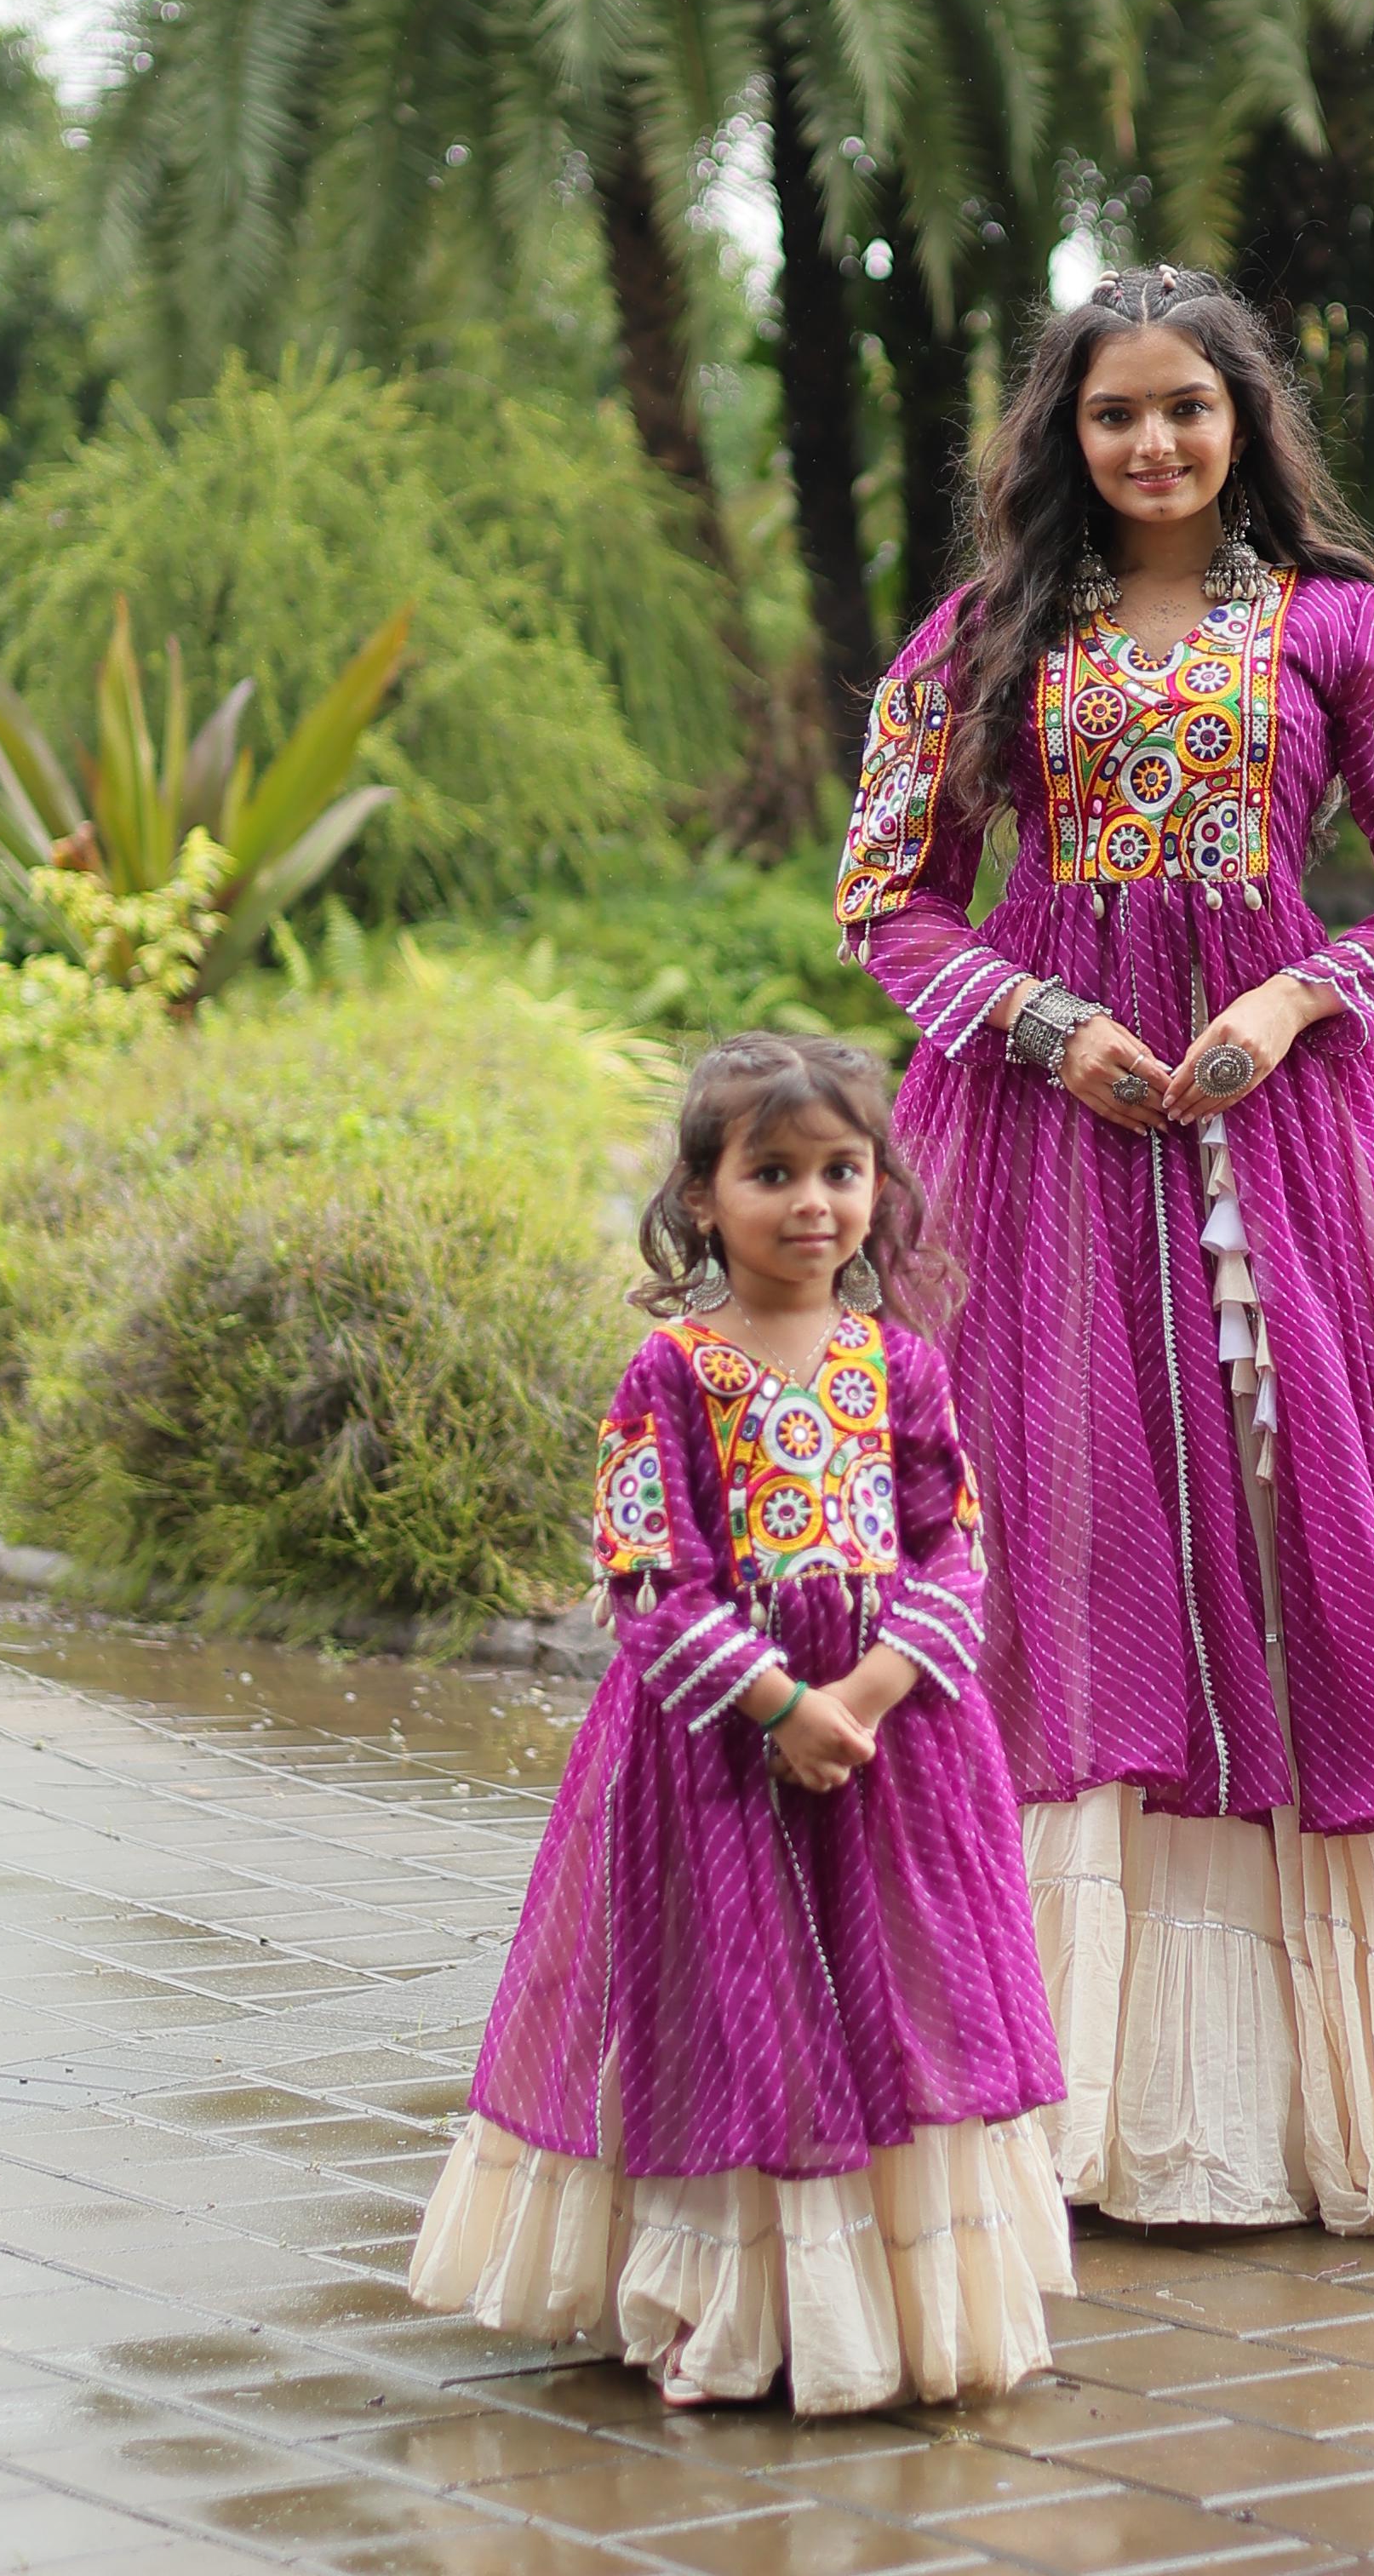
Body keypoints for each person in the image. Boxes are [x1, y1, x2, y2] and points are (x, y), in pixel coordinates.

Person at [834, 264, 1374, 2242]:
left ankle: (1350, 2098)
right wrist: (1054, 1028)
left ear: (1247, 426)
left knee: (1323, 1521)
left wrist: (1295, 1008)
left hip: (1287, 1138)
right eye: (1114, 413)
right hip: (1036, 1151)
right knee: (1056, 1540)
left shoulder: (1353, 636)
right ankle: (1019, 2075)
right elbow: (883, 902)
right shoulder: (977, 644)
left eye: (1188, 410)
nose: (1152, 443)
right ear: (1066, 437)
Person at [409, 1033, 1070, 2413]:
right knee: (739, 1997)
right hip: (717, 1748)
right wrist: (777, 1704)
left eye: (842, 1170)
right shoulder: (670, 1375)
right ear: (703, 1199)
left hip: (895, 1741)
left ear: (881, 1187)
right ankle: (738, 2300)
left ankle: (887, 2301)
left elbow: (960, 1551)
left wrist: (866, 1696)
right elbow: (649, 1577)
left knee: (892, 1995)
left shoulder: (904, 1367)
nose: (814, 1203)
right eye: (772, 1173)